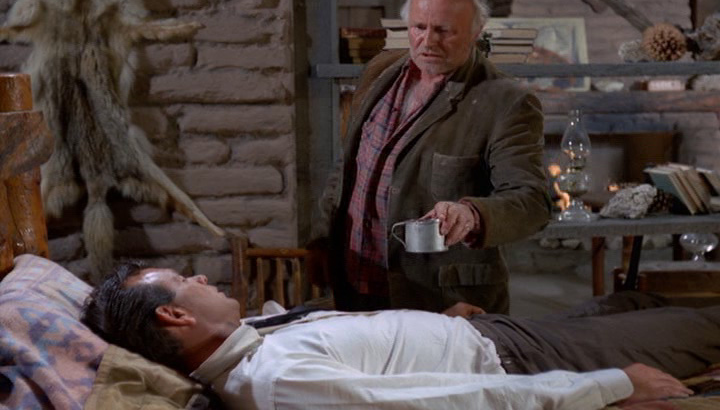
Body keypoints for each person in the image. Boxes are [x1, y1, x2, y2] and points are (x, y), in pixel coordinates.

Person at [83, 263, 720, 410]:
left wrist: (438, 325)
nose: (199, 276)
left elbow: (348, 338)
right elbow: (447, 402)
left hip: (487, 332)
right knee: (704, 327)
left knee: (638, 299)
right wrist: (610, 386)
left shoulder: (248, 338)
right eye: (183, 281)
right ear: (174, 318)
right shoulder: (276, 381)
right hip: (519, 359)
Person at [311, 0, 551, 314]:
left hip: (442, 301)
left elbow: (532, 202)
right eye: (419, 27)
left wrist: (471, 214)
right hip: (356, 284)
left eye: (444, 31)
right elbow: (350, 164)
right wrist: (323, 239)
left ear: (476, 32)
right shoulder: (381, 70)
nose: (428, 41)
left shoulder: (506, 101)